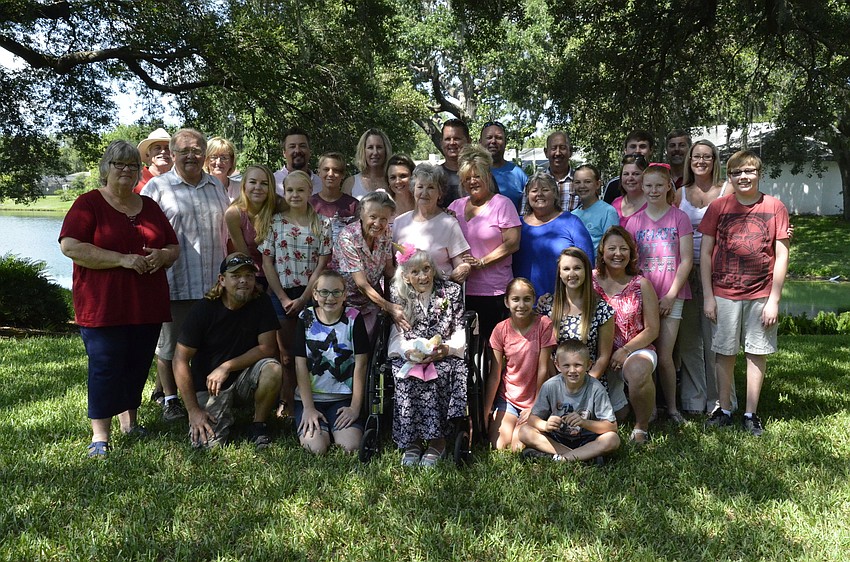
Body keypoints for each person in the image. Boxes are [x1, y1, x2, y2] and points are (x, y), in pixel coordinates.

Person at [60, 140, 179, 457]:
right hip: (104, 307)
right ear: (105, 169)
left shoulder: (149, 206)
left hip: (147, 304)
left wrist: (161, 255)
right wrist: (121, 259)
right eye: (119, 164)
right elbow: (70, 246)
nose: (126, 170)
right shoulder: (88, 204)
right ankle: (100, 435)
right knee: (105, 366)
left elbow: (173, 247)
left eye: (131, 165)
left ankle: (131, 423)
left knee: (137, 365)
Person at [142, 128, 230, 421]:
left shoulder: (216, 187)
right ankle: (169, 400)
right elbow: (142, 233)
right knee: (169, 346)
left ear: (204, 154)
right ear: (174, 153)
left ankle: (206, 396)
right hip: (174, 281)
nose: (191, 156)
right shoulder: (157, 188)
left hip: (212, 284)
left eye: (196, 150)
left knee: (208, 343)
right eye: (184, 151)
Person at [700, 150, 790, 437]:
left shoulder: (775, 207)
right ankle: (724, 409)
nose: (743, 176)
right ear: (730, 176)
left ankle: (751, 414)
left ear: (759, 173)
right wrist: (708, 296)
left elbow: (782, 253)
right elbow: (705, 252)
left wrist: (774, 299)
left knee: (756, 353)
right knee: (724, 352)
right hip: (724, 293)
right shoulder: (719, 207)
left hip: (760, 293)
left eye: (749, 171)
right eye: (737, 172)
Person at [173, 253, 282, 449]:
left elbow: (267, 347)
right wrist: (193, 410)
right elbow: (179, 360)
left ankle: (258, 425)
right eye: (236, 275)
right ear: (222, 280)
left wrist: (227, 367)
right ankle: (214, 414)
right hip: (210, 386)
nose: (244, 281)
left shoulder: (261, 302)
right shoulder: (203, 310)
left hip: (243, 378)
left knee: (272, 368)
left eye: (249, 276)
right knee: (206, 446)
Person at [259, 170, 332, 417]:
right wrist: (283, 298)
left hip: (312, 295)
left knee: (312, 351)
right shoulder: (275, 222)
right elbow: (267, 261)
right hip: (282, 295)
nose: (295, 195)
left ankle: (313, 401)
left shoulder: (322, 224)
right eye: (290, 190)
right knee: (287, 355)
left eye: (300, 190)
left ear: (310, 191)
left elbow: (322, 264)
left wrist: (304, 298)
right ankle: (287, 401)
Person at [625, 164, 693, 425]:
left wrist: (671, 295)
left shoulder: (679, 218)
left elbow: (686, 260)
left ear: (668, 187)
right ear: (642, 188)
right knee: (645, 354)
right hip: (642, 297)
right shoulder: (634, 222)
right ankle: (649, 409)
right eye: (648, 186)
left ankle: (673, 409)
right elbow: (630, 263)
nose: (653, 190)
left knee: (665, 356)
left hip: (671, 295)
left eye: (658, 185)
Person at [388, 249, 467, 467]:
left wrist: (447, 349)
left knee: (439, 375)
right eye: (415, 271)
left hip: (443, 353)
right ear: (405, 276)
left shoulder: (450, 291)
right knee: (404, 375)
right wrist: (407, 352)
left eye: (427, 269)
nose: (423, 276)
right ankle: (412, 442)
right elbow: (397, 334)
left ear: (433, 269)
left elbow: (460, 330)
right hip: (411, 353)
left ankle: (437, 442)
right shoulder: (399, 293)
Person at [676, 139, 736, 414]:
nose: (701, 161)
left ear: (715, 161)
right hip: (686, 272)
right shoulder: (679, 194)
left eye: (707, 157)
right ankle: (693, 399)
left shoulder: (727, 190)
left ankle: (720, 401)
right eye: (696, 156)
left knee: (716, 340)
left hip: (719, 274)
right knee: (689, 340)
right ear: (689, 161)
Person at [449, 144, 521, 350]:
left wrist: (482, 262)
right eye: (467, 177)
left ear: (487, 176)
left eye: (477, 176)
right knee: (465, 348)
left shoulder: (502, 204)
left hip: (494, 291)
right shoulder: (455, 207)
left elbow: (513, 243)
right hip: (462, 290)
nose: (472, 181)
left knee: (494, 349)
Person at [593, 226, 660, 444]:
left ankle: (642, 426)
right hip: (597, 354)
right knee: (619, 417)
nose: (618, 253)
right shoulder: (590, 280)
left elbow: (652, 329)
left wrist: (625, 350)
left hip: (635, 350)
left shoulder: (641, 284)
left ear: (631, 253)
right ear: (602, 253)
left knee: (639, 370)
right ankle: (633, 404)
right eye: (612, 248)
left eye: (624, 249)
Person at [293, 270, 368, 454]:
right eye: (324, 292)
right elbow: (300, 365)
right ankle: (314, 424)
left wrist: (355, 408)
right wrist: (308, 408)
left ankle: (336, 427)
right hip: (311, 399)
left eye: (336, 292)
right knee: (316, 448)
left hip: (343, 399)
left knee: (350, 447)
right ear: (315, 294)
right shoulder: (305, 318)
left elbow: (361, 364)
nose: (330, 297)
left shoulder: (354, 318)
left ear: (344, 295)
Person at [518, 339, 620, 463]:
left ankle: (560, 458)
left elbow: (612, 427)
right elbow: (532, 419)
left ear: (588, 365)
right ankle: (583, 457)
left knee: (612, 439)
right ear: (557, 365)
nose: (572, 370)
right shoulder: (550, 386)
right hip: (557, 438)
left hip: (587, 439)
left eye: (578, 365)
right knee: (524, 431)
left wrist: (584, 423)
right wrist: (545, 425)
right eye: (566, 365)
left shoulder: (596, 388)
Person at [484, 278, 556, 451]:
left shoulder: (544, 324)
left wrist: (536, 406)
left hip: (535, 397)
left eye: (527, 299)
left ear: (533, 300)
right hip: (509, 397)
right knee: (499, 445)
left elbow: (543, 369)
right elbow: (495, 374)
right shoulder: (500, 329)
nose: (521, 305)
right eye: (515, 299)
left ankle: (530, 426)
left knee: (518, 445)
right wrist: (486, 410)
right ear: (507, 302)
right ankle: (509, 420)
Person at [512, 172, 594, 314]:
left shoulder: (571, 222)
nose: (539, 194)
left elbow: (588, 264)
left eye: (545, 190)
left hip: (562, 305)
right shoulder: (516, 225)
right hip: (522, 308)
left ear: (555, 194)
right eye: (534, 190)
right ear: (527, 195)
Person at [333, 191, 408, 338]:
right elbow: (361, 284)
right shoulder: (347, 237)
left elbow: (388, 271)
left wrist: (409, 278)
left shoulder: (386, 232)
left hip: (372, 301)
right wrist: (388, 306)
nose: (378, 224)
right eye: (373, 217)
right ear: (361, 214)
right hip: (344, 302)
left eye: (383, 219)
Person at [392, 162, 471, 282]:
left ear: (440, 193)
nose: (424, 192)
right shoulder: (399, 222)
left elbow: (461, 264)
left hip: (438, 294)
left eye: (431, 187)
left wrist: (463, 268)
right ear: (413, 190)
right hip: (404, 294)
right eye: (420, 187)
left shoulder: (449, 224)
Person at [551, 247, 615, 387]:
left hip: (590, 383)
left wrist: (583, 386)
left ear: (586, 271)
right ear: (560, 274)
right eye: (566, 269)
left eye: (577, 268)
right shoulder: (548, 308)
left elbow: (603, 356)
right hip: (556, 384)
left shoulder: (602, 309)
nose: (572, 274)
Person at [224, 165, 277, 291]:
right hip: (253, 274)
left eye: (264, 183)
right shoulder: (234, 214)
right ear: (244, 185)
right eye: (253, 182)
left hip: (282, 274)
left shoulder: (279, 207)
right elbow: (244, 255)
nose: (258, 188)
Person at [522, 130, 577, 214]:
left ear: (570, 152)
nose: (558, 153)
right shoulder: (533, 184)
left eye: (562, 148)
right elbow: (524, 215)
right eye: (553, 148)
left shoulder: (580, 182)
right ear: (546, 152)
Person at [310, 152, 359, 244]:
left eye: (336, 170)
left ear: (343, 174)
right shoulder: (310, 204)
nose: (331, 174)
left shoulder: (354, 206)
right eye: (326, 169)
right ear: (319, 172)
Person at [479, 120, 527, 211]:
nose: (493, 141)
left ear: (505, 142)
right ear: (480, 142)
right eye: (489, 137)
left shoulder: (519, 174)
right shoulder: (471, 173)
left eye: (498, 138)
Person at [571, 164, 620, 252]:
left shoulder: (608, 212)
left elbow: (612, 246)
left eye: (587, 181)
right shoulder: (573, 215)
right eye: (578, 182)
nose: (582, 186)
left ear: (597, 184)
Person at [603, 129, 655, 204]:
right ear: (625, 151)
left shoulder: (663, 181)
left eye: (642, 146)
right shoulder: (614, 185)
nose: (637, 151)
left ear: (651, 150)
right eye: (633, 146)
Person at [343, 128, 392, 199]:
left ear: (386, 151)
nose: (375, 152)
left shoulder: (393, 182)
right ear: (363, 151)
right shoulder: (351, 183)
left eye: (379, 147)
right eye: (370, 147)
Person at [274, 127, 322, 196]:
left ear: (310, 151)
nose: (297, 150)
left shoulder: (321, 184)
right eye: (292, 146)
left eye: (302, 146)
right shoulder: (273, 182)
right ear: (284, 153)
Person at [611, 153, 649, 230]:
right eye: (626, 174)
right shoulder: (615, 204)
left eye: (636, 174)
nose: (630, 178)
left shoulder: (655, 202)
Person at [439, 118, 471, 206]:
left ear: (469, 141)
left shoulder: (481, 175)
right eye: (447, 139)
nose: (452, 143)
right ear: (441, 143)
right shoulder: (434, 175)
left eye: (457, 138)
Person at [134, 128, 173, 193]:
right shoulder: (136, 179)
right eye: (157, 148)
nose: (163, 151)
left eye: (167, 148)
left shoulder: (179, 180)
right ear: (147, 154)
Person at [204, 136, 240, 201]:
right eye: (214, 157)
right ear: (206, 160)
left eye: (224, 158)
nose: (218, 162)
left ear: (231, 162)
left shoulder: (241, 189)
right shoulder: (199, 189)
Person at [386, 154, 416, 219]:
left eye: (403, 176)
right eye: (393, 177)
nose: (398, 181)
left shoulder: (423, 204)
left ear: (413, 177)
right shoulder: (385, 208)